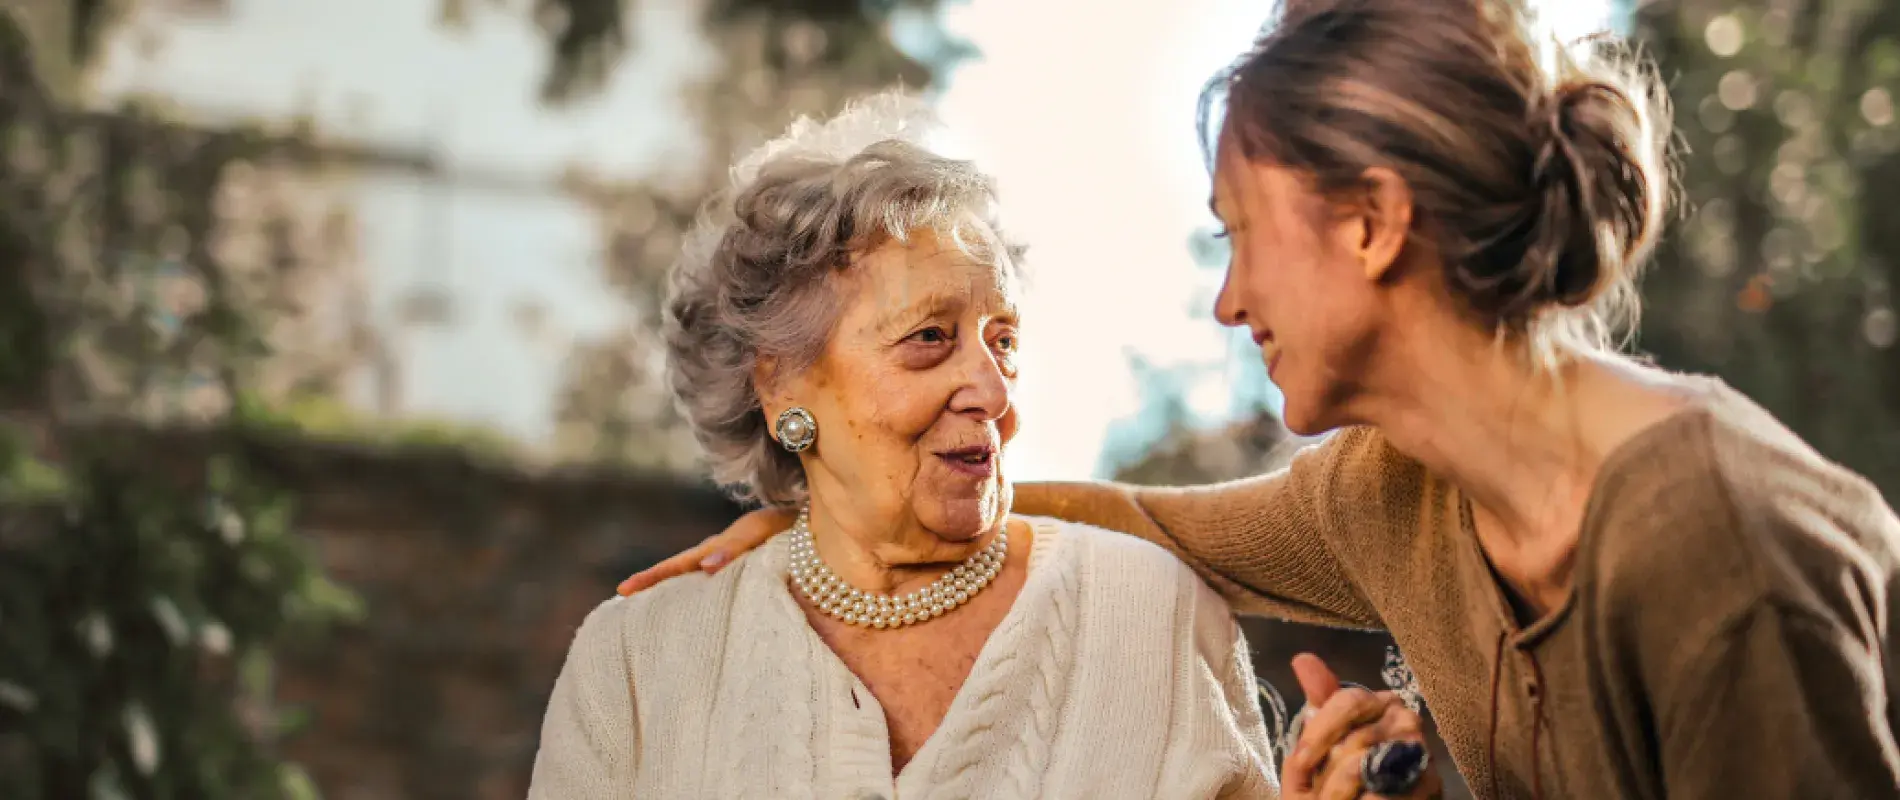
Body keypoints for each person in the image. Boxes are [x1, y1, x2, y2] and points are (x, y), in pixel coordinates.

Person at [616, 1, 1900, 798]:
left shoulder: (1712, 545)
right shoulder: (1394, 491)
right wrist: (844, 513)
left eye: (1240, 233)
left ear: (1371, 222)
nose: (1229, 301)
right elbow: (1146, 523)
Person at [527, 94, 1308, 799]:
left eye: (1003, 341)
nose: (993, 393)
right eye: (930, 338)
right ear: (782, 385)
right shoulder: (636, 662)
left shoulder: (1154, 617)